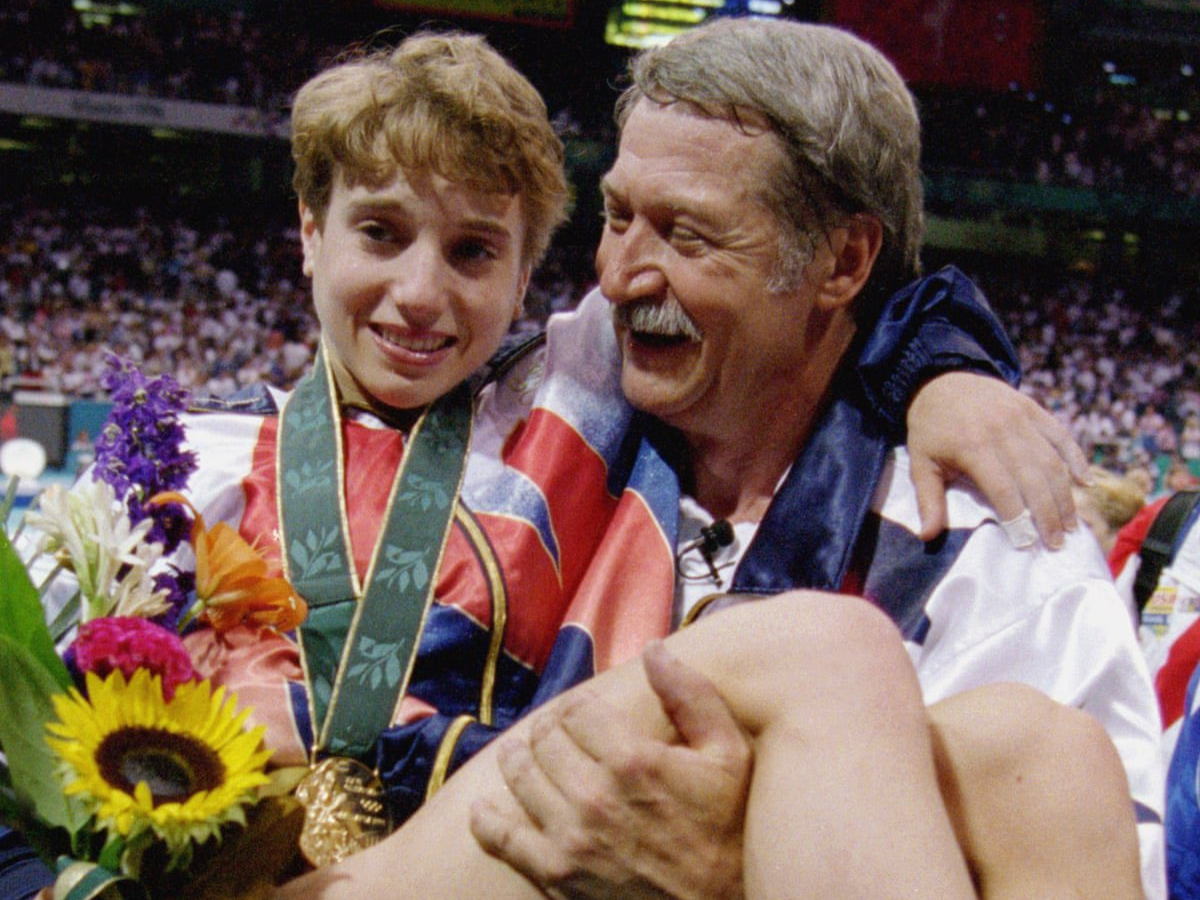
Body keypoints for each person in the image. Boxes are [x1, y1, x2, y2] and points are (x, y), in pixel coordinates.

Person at [0, 28, 1087, 900]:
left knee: (1048, 759)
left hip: (479, 833)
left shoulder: (553, 401)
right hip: (349, 865)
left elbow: (863, 298)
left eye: (475, 252)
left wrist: (948, 370)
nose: (423, 295)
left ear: (526, 277)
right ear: (306, 234)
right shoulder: (186, 472)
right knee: (833, 648)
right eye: (379, 232)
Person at [271, 19, 1162, 900]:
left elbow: (1121, 865)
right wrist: (946, 360)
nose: (622, 275)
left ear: (844, 259)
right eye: (618, 216)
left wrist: (723, 877)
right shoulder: (560, 388)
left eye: (686, 235)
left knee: (1047, 756)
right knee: (833, 649)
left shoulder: (991, 545)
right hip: (412, 851)